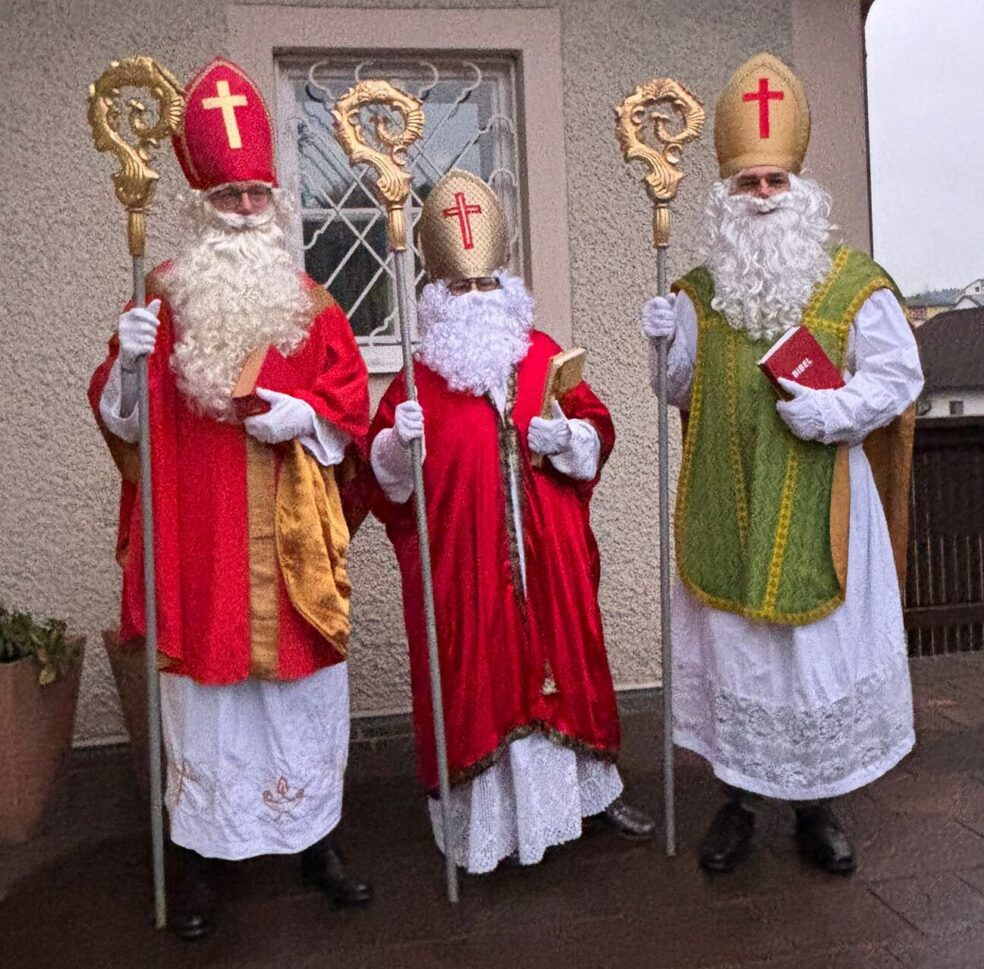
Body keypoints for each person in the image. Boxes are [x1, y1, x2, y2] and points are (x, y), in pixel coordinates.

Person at [89, 58, 372, 939]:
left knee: (298, 702)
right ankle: (203, 857)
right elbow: (127, 428)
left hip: (292, 545)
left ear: (274, 200)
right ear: (201, 202)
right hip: (200, 540)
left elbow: (351, 410)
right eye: (229, 196)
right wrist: (128, 364)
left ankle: (316, 841)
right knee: (209, 712)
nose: (246, 209)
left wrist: (307, 418)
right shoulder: (162, 302)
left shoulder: (312, 305)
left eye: (256, 193)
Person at [641, 53, 923, 875]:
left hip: (821, 500)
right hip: (727, 501)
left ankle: (818, 806)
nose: (762, 194)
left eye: (774, 180)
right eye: (747, 183)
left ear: (799, 189)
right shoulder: (699, 292)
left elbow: (899, 375)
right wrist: (660, 343)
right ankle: (737, 802)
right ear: (727, 195)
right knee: (739, 654)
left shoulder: (851, 284)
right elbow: (677, 388)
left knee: (810, 660)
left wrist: (836, 411)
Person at [368, 170, 654, 874]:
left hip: (551, 561)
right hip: (468, 566)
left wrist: (571, 438)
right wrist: (395, 444)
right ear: (436, 295)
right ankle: (485, 825)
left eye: (486, 283)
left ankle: (592, 794)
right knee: (478, 679)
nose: (475, 297)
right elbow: (389, 490)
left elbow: (597, 427)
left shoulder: (544, 354)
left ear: (506, 287)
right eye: (460, 286)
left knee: (571, 668)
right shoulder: (417, 380)